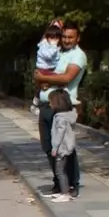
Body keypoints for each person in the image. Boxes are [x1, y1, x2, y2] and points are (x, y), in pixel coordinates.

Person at [34, 20, 87, 197]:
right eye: (63, 36)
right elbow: (39, 70)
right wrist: (53, 25)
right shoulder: (57, 52)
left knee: (66, 148)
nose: (66, 40)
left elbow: (66, 78)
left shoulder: (78, 56)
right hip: (46, 106)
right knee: (48, 147)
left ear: (78, 38)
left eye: (70, 37)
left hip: (63, 108)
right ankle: (58, 181)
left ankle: (73, 184)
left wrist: (44, 77)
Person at [47, 89, 78, 203]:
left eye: (51, 102)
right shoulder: (69, 115)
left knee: (59, 171)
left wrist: (55, 147)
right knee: (64, 170)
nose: (50, 104)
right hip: (68, 146)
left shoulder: (59, 117)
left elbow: (60, 133)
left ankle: (65, 193)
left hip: (61, 147)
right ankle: (64, 191)